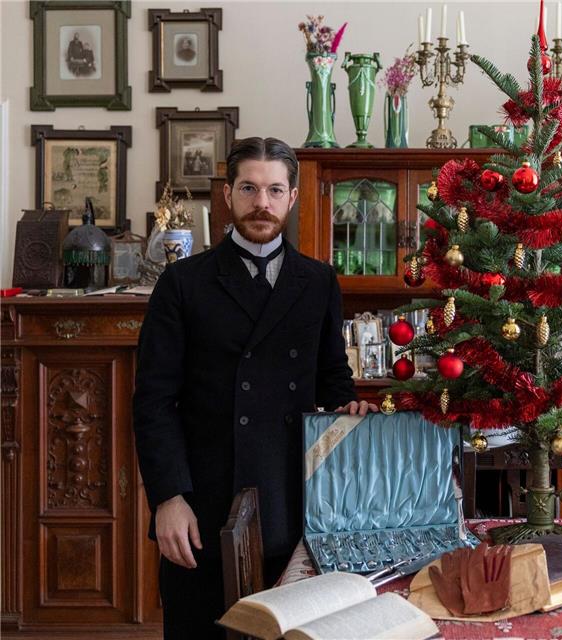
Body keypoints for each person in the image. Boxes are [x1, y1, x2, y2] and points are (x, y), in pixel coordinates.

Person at [133, 136, 377, 639]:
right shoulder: (183, 283)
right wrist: (168, 498)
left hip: (293, 499)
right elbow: (154, 401)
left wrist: (347, 405)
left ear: (292, 197)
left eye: (274, 190)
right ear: (227, 194)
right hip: (204, 498)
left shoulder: (318, 281)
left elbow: (332, 378)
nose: (261, 203)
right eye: (249, 188)